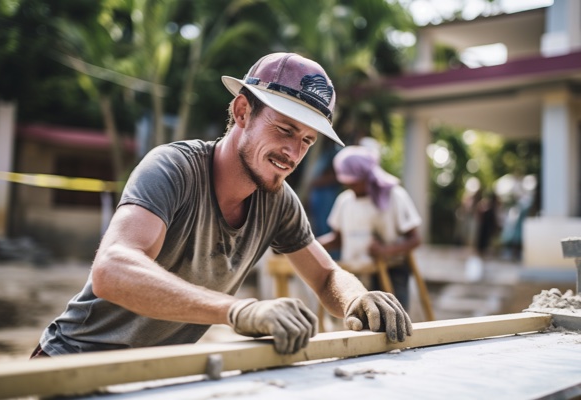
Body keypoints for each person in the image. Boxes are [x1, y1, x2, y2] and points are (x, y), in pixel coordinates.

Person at [31, 53, 412, 359]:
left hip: (149, 378)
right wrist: (237, 310)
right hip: (72, 362)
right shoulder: (173, 168)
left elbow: (327, 277)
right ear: (243, 111)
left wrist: (358, 298)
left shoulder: (277, 201)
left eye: (307, 141)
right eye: (284, 130)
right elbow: (112, 269)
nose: (293, 153)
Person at [317, 145, 421, 310]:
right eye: (347, 183)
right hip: (355, 274)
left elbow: (415, 239)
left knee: (394, 321)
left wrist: (385, 250)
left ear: (366, 176)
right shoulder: (345, 201)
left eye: (354, 182)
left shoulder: (394, 196)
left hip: (390, 272)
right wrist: (308, 246)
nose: (351, 187)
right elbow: (338, 240)